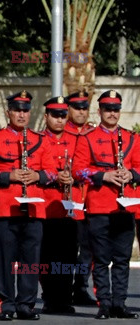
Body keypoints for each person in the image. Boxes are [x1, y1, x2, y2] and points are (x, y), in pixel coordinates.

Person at [0, 90, 56, 321]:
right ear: (8, 112)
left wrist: (37, 176)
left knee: (30, 261)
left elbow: (52, 172)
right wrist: (8, 177)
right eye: (17, 110)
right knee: (4, 259)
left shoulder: (42, 140)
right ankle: (7, 304)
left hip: (33, 208)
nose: (21, 115)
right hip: (4, 208)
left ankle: (26, 304)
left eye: (25, 111)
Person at [72, 90, 139, 320]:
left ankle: (119, 303)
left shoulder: (132, 137)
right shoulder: (87, 138)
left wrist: (130, 174)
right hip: (100, 206)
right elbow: (78, 170)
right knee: (101, 259)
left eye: (116, 109)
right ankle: (104, 303)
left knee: (122, 258)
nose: (112, 113)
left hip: (125, 206)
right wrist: (104, 176)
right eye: (108, 109)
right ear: (99, 111)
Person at [39, 96, 82, 314]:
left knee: (68, 255)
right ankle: (49, 297)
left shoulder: (78, 139)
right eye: (55, 115)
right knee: (47, 254)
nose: (59, 120)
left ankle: (65, 298)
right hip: (47, 206)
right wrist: (55, 177)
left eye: (63, 115)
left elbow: (85, 167)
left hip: (71, 207)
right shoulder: (38, 140)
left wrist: (74, 177)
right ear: (46, 116)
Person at [64, 91, 96, 306]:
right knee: (67, 247)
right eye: (77, 108)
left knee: (89, 247)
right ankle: (63, 288)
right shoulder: (60, 134)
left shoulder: (94, 134)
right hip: (69, 196)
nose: (81, 112)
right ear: (68, 110)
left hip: (90, 197)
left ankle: (81, 286)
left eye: (84, 108)